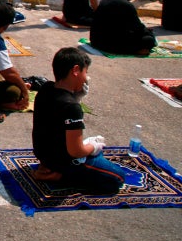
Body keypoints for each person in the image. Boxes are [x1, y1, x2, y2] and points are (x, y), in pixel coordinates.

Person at [32, 47, 125, 193]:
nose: (86, 77)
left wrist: (76, 97)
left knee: (97, 156)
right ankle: (61, 176)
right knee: (117, 178)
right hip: (63, 162)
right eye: (85, 72)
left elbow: (55, 121)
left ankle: (54, 169)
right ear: (76, 70)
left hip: (44, 154)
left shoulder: (46, 88)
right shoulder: (71, 107)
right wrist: (93, 146)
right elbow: (76, 151)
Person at [90, 0, 157, 55]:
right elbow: (138, 27)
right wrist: (148, 32)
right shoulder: (126, 5)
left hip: (96, 41)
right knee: (149, 39)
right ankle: (138, 50)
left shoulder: (105, 0)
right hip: (111, 44)